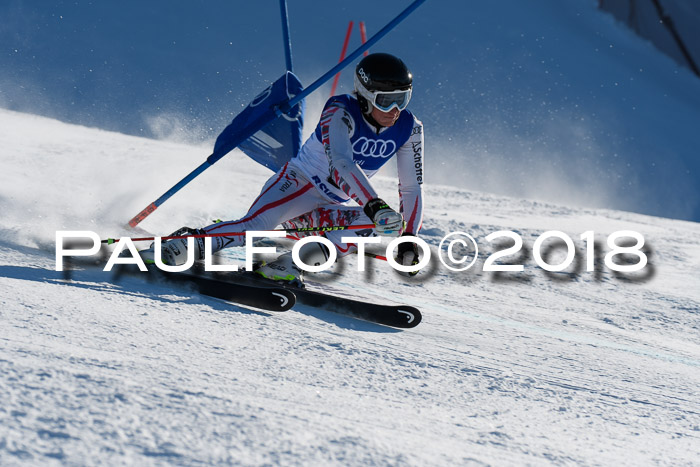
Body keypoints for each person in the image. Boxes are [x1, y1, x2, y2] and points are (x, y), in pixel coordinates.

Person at [141, 52, 424, 285]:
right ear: (364, 94)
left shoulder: (409, 129)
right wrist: (374, 204)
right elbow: (341, 164)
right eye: (386, 101)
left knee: (387, 225)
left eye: (403, 99)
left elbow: (411, 187)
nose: (395, 110)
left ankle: (291, 264)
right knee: (254, 227)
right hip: (297, 185)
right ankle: (181, 247)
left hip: (324, 213)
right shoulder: (340, 111)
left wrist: (409, 237)